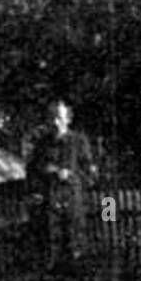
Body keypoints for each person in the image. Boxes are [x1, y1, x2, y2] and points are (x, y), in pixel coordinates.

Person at [26, 100, 98, 271]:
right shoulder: (42, 144)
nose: (55, 122)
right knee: (51, 242)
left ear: (68, 119)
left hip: (73, 198)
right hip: (50, 200)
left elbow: (89, 172)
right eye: (52, 118)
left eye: (59, 117)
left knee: (74, 241)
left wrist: (71, 175)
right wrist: (45, 174)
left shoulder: (79, 141)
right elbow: (32, 170)